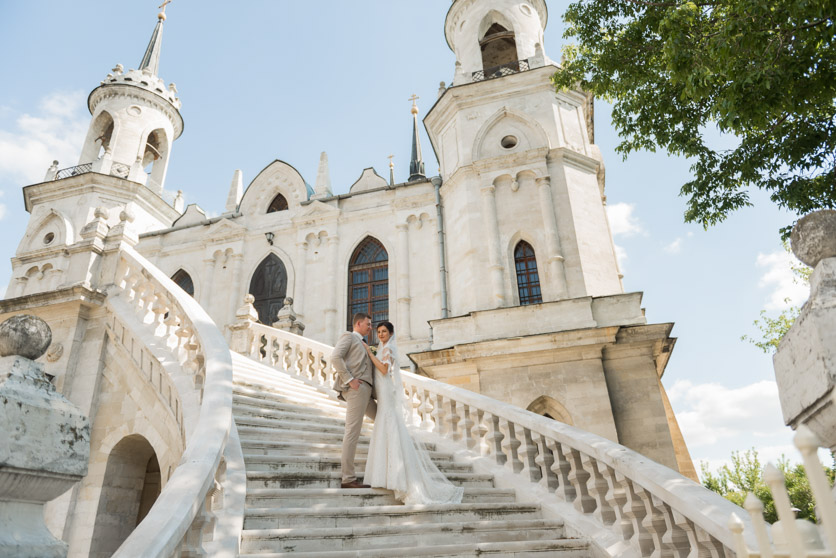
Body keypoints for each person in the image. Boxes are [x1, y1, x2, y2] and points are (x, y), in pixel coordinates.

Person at [362, 321, 464, 505]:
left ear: (391, 333)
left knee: (390, 424)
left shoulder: (388, 349)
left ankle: (398, 479)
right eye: (379, 332)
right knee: (384, 425)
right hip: (383, 391)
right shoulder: (382, 348)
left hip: (386, 390)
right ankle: (386, 475)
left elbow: (384, 369)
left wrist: (370, 354)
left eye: (384, 331)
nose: (381, 334)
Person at [332, 312, 377, 489]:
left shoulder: (364, 344)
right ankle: (348, 478)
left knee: (383, 419)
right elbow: (335, 357)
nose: (370, 327)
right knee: (352, 431)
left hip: (367, 391)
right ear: (358, 324)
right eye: (368, 324)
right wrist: (349, 379)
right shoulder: (348, 337)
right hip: (356, 389)